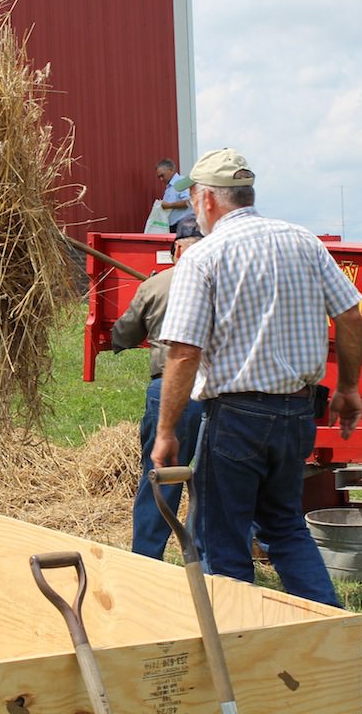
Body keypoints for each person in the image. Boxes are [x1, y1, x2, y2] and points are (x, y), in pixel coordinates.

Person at [152, 148, 362, 691]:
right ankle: (344, 667)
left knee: (223, 544)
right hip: (297, 409)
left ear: (206, 199)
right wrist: (348, 387)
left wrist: (167, 432)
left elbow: (183, 352)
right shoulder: (302, 241)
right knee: (287, 530)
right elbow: (350, 314)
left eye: (193, 200)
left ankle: (241, 676)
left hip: (236, 415)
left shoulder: (204, 256)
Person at [111, 215, 206, 559]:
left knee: (161, 475)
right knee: (215, 481)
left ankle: (146, 558)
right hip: (220, 391)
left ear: (176, 249)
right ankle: (209, 564)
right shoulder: (227, 284)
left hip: (170, 389)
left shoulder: (156, 285)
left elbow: (123, 334)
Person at [156, 159, 192, 234]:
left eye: (162, 175)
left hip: (184, 225)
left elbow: (188, 202)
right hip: (174, 226)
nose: (161, 179)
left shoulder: (181, 182)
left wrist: (169, 205)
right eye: (159, 177)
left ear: (171, 170)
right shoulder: (169, 187)